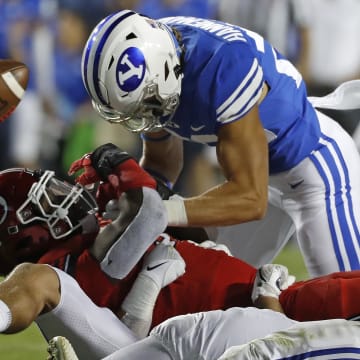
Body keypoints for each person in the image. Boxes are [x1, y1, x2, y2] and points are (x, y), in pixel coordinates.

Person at [80, 9, 360, 277]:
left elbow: (250, 198)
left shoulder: (221, 64)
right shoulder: (158, 55)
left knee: (348, 308)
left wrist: (164, 212)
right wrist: (136, 199)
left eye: (147, 103)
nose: (144, 115)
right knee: (205, 292)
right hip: (260, 177)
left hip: (313, 169)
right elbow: (162, 162)